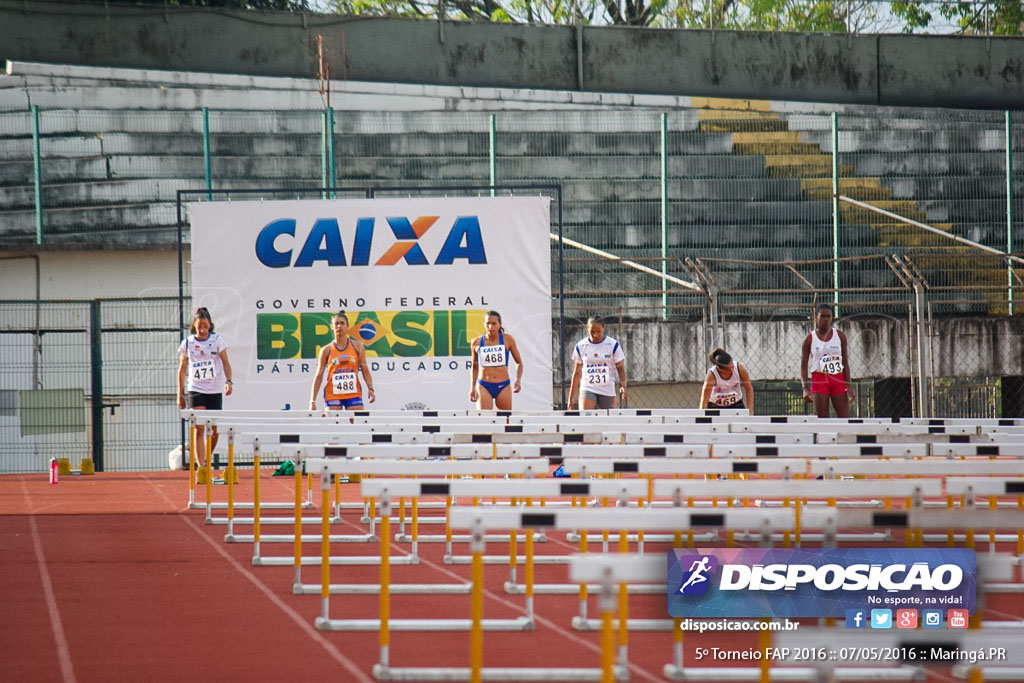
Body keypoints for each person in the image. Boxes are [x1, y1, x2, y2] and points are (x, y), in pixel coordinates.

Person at [177, 307, 232, 480]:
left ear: (210, 326)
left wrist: (228, 382)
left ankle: (206, 459)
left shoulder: (217, 341)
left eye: (205, 327)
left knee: (213, 431)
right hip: (196, 389)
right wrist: (180, 393)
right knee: (199, 428)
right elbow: (182, 369)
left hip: (214, 389)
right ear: (194, 325)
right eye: (199, 326)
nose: (202, 330)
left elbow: (226, 363)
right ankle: (201, 467)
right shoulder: (188, 343)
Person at [310, 311, 375, 411]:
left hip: (353, 393)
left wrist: (370, 388)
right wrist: (312, 401)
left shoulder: (357, 346)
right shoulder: (326, 350)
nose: (339, 326)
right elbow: (319, 375)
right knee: (334, 423)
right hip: (333, 394)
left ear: (347, 326)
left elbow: (365, 369)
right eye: (336, 323)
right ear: (332, 326)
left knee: (357, 421)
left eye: (342, 323)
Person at [801, 303, 855, 418]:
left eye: (828, 317)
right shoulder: (810, 339)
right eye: (822, 316)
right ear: (816, 317)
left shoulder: (840, 336)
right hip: (819, 379)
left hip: (838, 378)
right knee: (823, 420)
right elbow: (803, 366)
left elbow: (845, 362)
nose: (825, 319)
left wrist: (848, 385)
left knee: (844, 418)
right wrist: (805, 388)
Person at [568, 316, 627, 410]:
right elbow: (576, 373)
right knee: (586, 417)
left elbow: (620, 369)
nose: (595, 335)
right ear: (587, 329)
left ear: (603, 328)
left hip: (607, 389)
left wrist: (623, 386)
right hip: (588, 388)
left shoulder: (612, 345)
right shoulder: (581, 346)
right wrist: (571, 397)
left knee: (605, 421)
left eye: (598, 331)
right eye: (592, 332)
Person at [469, 310, 523, 410]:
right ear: (484, 324)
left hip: (503, 385)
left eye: (494, 324)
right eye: (488, 323)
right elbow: (474, 366)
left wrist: (518, 380)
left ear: (500, 324)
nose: (491, 327)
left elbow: (519, 362)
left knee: (505, 419)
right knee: (484, 419)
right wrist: (472, 387)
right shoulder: (476, 342)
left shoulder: (508, 339)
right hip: (484, 385)